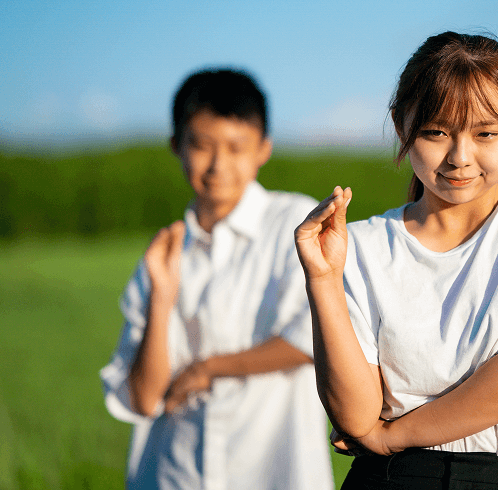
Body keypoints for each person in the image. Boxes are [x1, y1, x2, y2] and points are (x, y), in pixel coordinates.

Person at [295, 31, 498, 489]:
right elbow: (355, 413)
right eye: (436, 133)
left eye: (486, 133)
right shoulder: (361, 243)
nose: (460, 158)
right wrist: (323, 280)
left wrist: (392, 436)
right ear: (402, 127)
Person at [100, 69, 333, 490]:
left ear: (264, 149)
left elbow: (314, 337)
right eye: (201, 145)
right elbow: (143, 397)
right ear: (177, 146)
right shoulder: (163, 255)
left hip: (272, 472)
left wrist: (209, 369)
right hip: (174, 473)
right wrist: (162, 299)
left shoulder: (294, 224)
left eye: (236, 147)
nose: (217, 166)